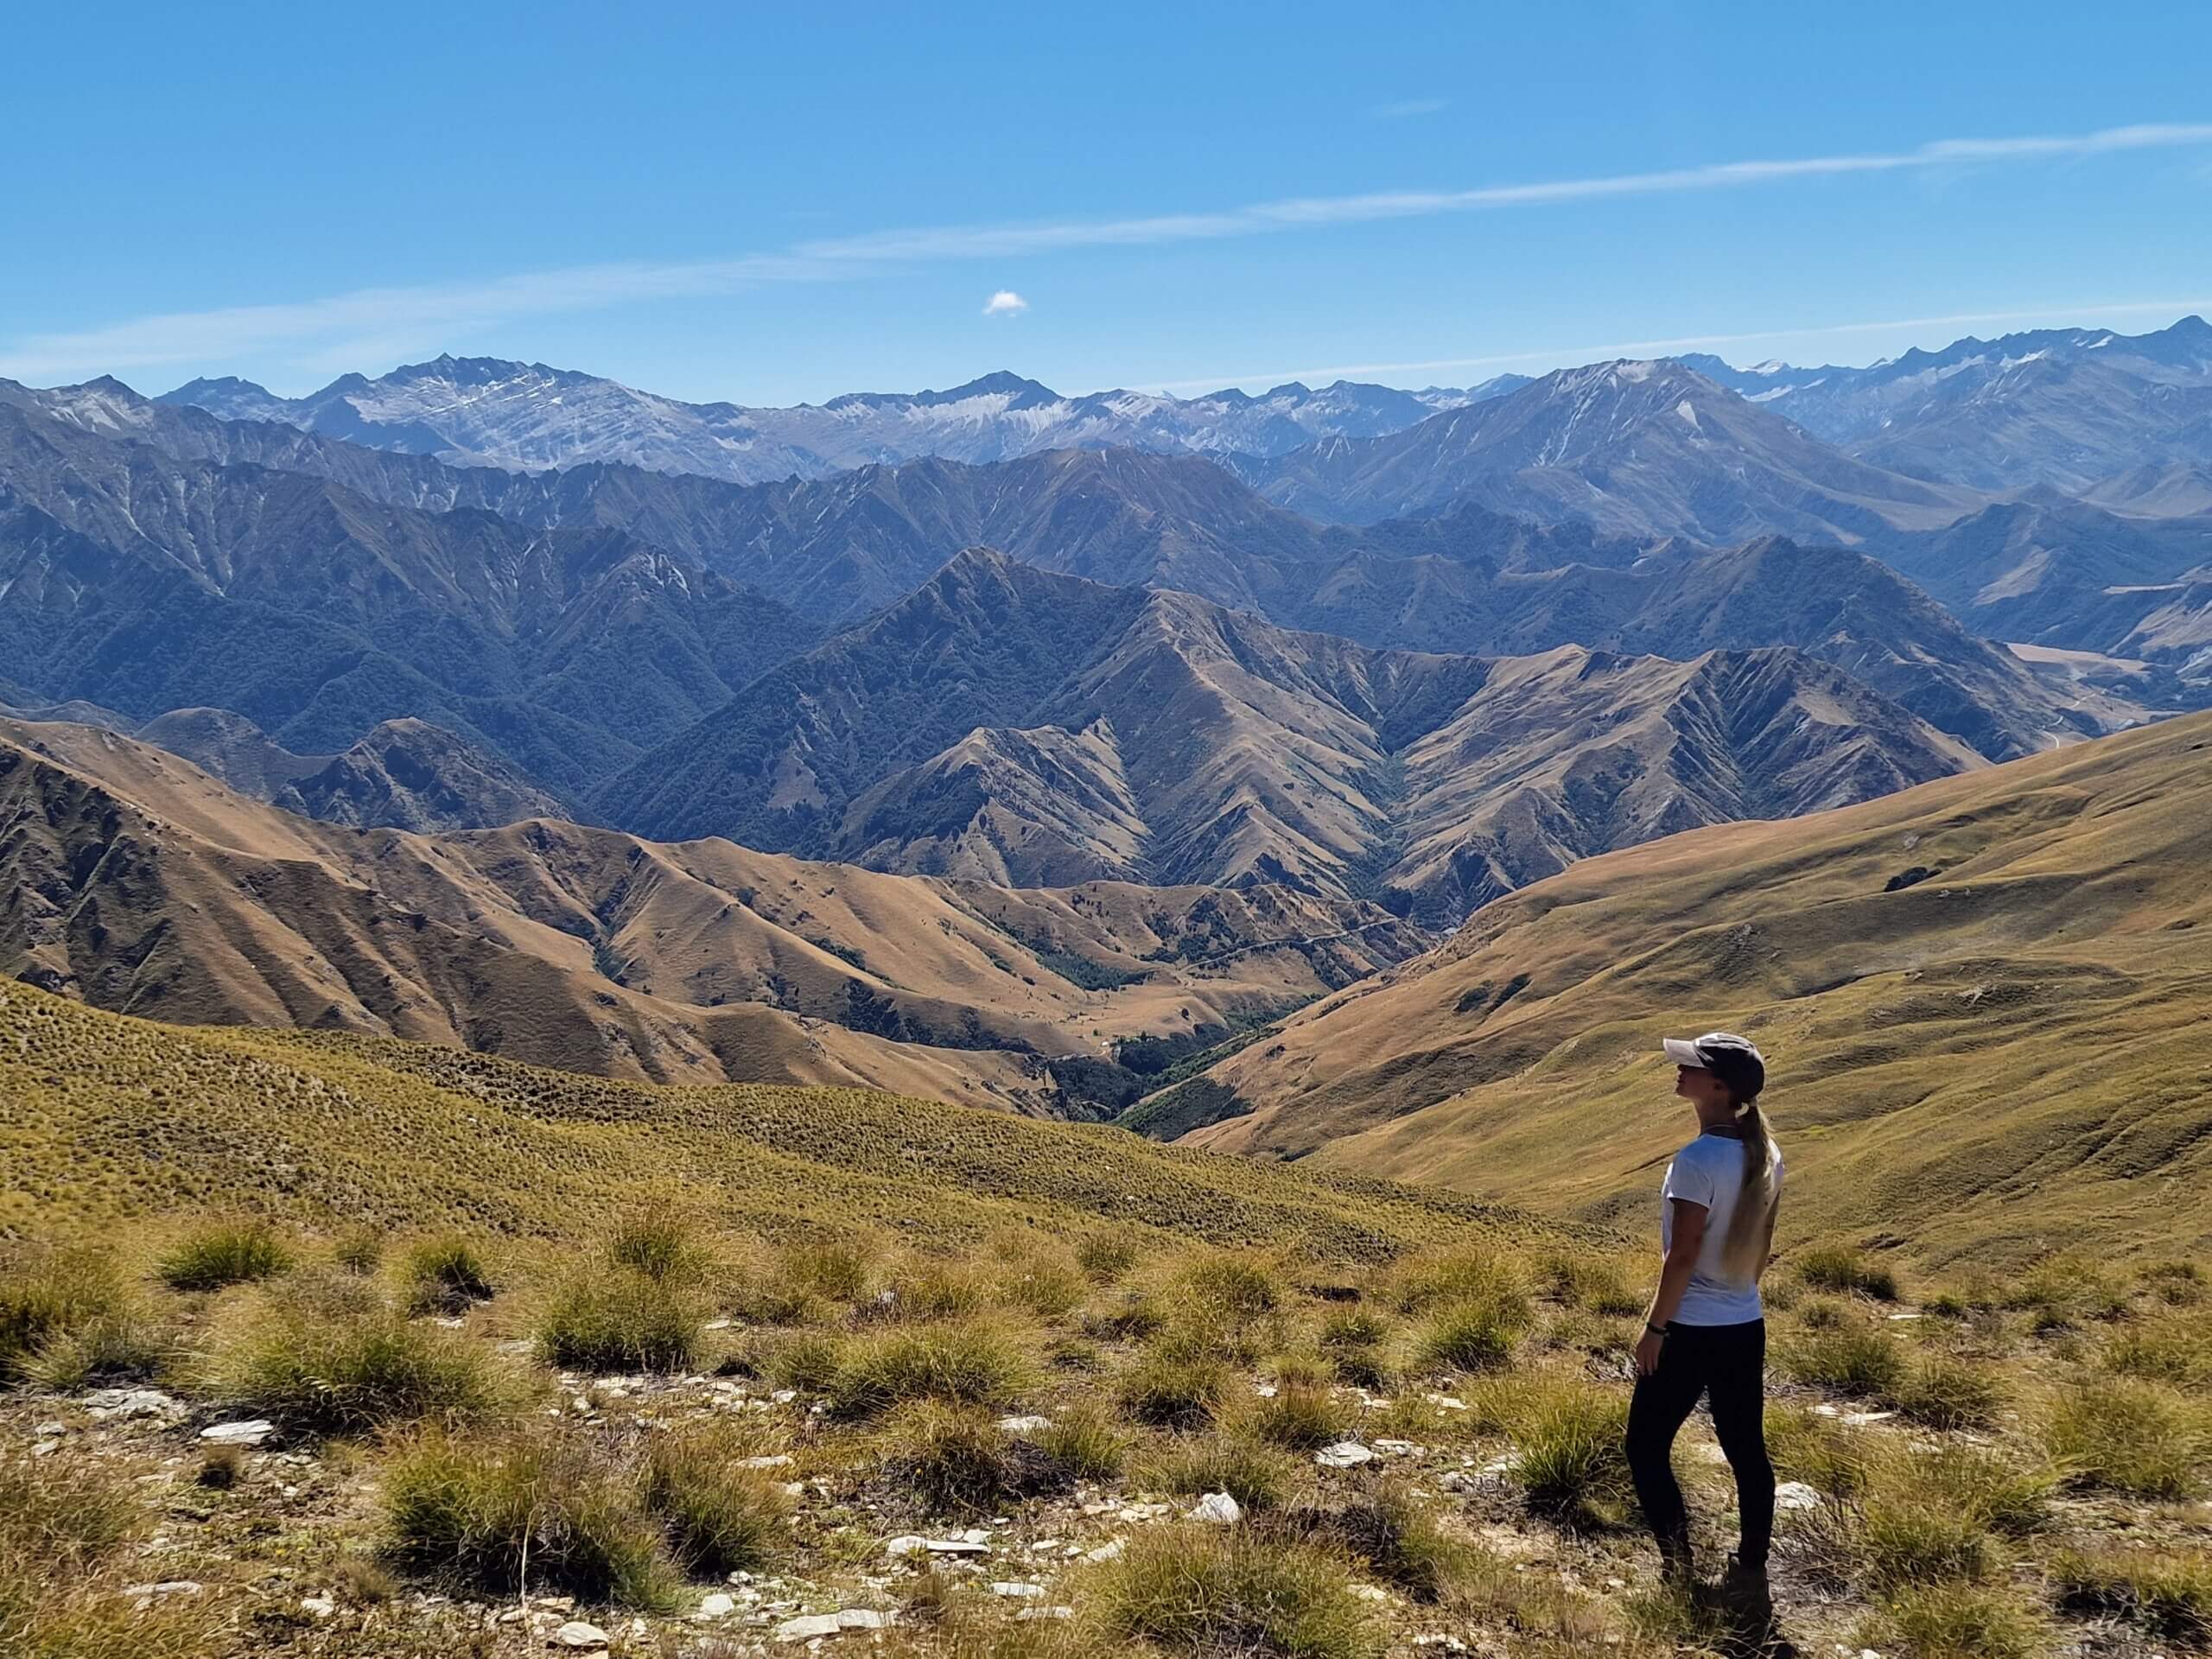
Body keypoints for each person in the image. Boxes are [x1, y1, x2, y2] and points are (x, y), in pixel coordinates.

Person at [1627, 1030, 1783, 1600]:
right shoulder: (1765, 1154)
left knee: (1644, 1448)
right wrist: (1736, 1297)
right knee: (1746, 1447)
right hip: (1745, 1324)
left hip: (1689, 1330)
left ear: (1717, 1087)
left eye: (1689, 1067)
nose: (1678, 1072)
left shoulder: (1695, 1161)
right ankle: (1752, 1563)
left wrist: (1655, 1329)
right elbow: (1762, 1245)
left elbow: (1683, 1255)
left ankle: (1677, 1565)